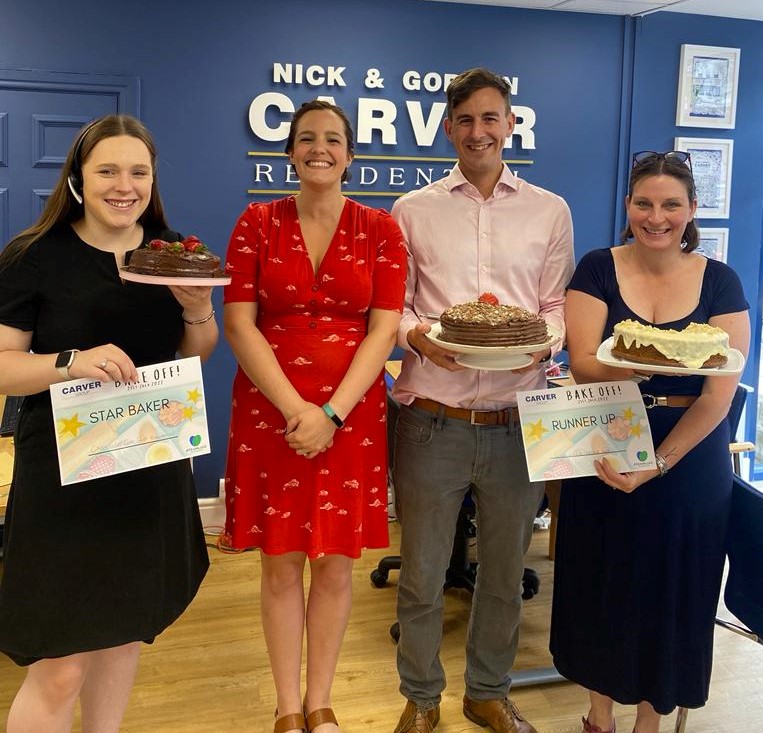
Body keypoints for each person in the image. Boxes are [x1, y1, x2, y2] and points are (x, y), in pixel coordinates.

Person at [0, 115, 218, 731]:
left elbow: (195, 353)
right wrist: (70, 362)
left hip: (148, 467)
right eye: (108, 171)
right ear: (77, 178)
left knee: (124, 637)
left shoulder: (172, 253)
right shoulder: (34, 256)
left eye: (138, 172)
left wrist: (199, 308)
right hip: (65, 479)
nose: (125, 186)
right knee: (60, 666)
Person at [389, 67, 574, 733]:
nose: (478, 131)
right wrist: (417, 336)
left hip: (516, 422)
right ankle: (420, 697)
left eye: (490, 118)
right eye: (465, 120)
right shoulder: (412, 210)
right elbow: (396, 306)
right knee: (421, 575)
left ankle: (487, 692)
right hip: (431, 421)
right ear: (447, 128)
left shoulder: (549, 210)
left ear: (510, 124)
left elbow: (554, 307)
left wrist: (543, 346)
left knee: (502, 576)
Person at [221, 99, 407, 733]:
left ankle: (321, 701)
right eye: (306, 138)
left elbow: (384, 329)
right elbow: (239, 323)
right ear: (290, 152)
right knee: (279, 562)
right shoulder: (256, 221)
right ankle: (286, 706)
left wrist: (331, 412)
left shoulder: (381, 229)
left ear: (350, 154)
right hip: (269, 413)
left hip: (350, 415)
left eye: (332, 139)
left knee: (334, 563)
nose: (319, 148)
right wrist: (297, 408)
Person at [550, 150, 750, 733]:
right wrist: (642, 364)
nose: (655, 217)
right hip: (608, 433)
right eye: (644, 203)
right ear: (628, 205)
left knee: (673, 588)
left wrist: (658, 462)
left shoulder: (721, 281)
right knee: (601, 579)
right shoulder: (596, 268)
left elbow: (717, 394)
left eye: (670, 205)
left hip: (689, 454)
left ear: (692, 210)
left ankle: (650, 720)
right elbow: (584, 362)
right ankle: (598, 716)